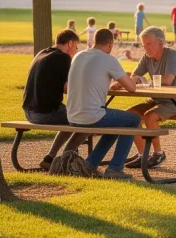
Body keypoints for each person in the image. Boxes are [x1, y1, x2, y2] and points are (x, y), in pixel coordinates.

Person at [66, 28, 140, 179]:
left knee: (115, 124)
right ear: (110, 43)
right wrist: (132, 79)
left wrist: (113, 84)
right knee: (133, 119)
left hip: (72, 114)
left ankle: (91, 164)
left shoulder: (79, 56)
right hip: (92, 115)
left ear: (95, 42)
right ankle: (115, 168)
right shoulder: (108, 59)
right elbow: (131, 88)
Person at [118, 27, 176, 169]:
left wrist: (145, 82)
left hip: (173, 101)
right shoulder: (147, 57)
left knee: (149, 116)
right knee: (130, 115)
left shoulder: (171, 54)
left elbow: (168, 80)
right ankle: (143, 155)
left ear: (160, 43)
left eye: (148, 44)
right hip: (155, 100)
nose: (145, 48)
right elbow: (134, 77)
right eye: (144, 44)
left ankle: (158, 154)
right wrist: (137, 79)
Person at [22, 29, 89, 171]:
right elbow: (68, 89)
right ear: (70, 43)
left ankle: (50, 157)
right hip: (45, 112)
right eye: (76, 47)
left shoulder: (43, 53)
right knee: (87, 119)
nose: (76, 51)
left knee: (70, 115)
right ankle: (66, 158)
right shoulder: (63, 58)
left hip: (29, 110)